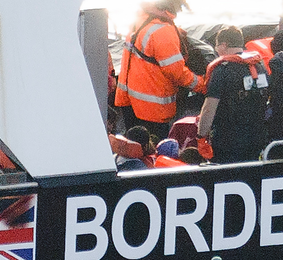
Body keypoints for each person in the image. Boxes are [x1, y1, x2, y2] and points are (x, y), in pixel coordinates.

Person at [114, 0, 205, 139]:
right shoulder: (163, 31)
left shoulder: (140, 20)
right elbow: (176, 72)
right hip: (153, 110)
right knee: (154, 152)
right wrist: (202, 85)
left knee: (135, 148)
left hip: (129, 101)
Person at [196, 27, 269, 163]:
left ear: (223, 45)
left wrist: (201, 136)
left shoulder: (222, 70)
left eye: (217, 46)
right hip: (257, 138)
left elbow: (209, 108)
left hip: (228, 141)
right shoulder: (259, 67)